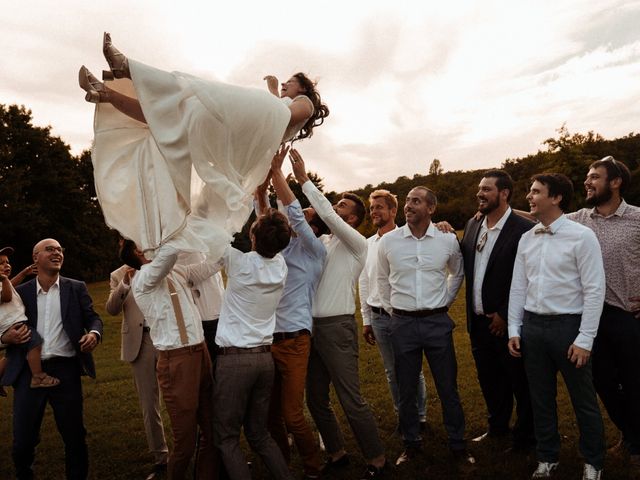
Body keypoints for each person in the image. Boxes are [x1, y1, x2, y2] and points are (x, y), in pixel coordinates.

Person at [79, 32, 329, 265]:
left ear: (304, 89)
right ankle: (105, 94)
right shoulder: (286, 101)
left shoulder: (304, 103)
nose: (285, 84)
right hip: (231, 138)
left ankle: (127, 68)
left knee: (191, 93)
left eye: (291, 82)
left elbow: (280, 115)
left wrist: (273, 90)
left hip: (238, 136)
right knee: (169, 118)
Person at [289, 149, 387, 480]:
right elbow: (309, 222)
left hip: (337, 327)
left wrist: (304, 180)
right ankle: (336, 451)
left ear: (354, 219)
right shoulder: (326, 242)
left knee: (350, 398)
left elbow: (327, 216)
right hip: (310, 328)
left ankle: (376, 458)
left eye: (342, 206)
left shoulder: (356, 243)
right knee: (315, 398)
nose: (335, 208)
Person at [508, 173, 606, 480]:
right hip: (533, 329)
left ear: (557, 198)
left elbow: (594, 289)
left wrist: (585, 337)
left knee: (583, 400)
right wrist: (514, 327)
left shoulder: (582, 236)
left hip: (569, 328)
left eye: (536, 191)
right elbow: (518, 287)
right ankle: (547, 457)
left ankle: (594, 461)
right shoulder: (526, 238)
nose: (529, 197)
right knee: (540, 399)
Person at [377, 187, 475, 472]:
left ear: (431, 208)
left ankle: (458, 443)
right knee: (406, 389)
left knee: (448, 387)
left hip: (437, 323)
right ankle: (411, 443)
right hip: (403, 323)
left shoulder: (446, 239)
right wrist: (393, 310)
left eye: (416, 201)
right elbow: (382, 279)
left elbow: (458, 271)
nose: (408, 205)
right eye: (407, 201)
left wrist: (446, 299)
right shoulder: (389, 242)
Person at [1, 238, 103, 480]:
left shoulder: (76, 287)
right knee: (23, 441)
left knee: (75, 436)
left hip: (65, 371)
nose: (57, 252)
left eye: (60, 249)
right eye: (50, 249)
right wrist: (6, 337)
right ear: (35, 258)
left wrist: (94, 334)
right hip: (27, 374)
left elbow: (93, 318)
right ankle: (24, 474)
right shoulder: (20, 292)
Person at [120, 238, 221, 480]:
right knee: (185, 440)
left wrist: (223, 233)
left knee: (211, 428)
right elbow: (167, 256)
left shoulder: (177, 270)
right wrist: (173, 231)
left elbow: (213, 265)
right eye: (144, 243)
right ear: (137, 253)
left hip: (200, 352)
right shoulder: (144, 278)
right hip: (176, 361)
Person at [254, 147, 327, 479]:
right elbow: (268, 216)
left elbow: (292, 212)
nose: (302, 215)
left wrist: (278, 172)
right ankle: (280, 463)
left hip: (296, 343)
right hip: (267, 342)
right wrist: (263, 181)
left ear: (316, 227)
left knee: (293, 414)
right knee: (271, 415)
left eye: (310, 215)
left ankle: (313, 465)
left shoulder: (314, 252)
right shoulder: (279, 246)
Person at [565, 157, 640, 477]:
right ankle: (631, 435)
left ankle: (637, 445)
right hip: (592, 317)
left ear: (616, 182)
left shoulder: (637, 219)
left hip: (629, 315)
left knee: (636, 384)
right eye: (586, 176)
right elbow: (543, 213)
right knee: (604, 382)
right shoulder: (581, 218)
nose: (587, 182)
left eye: (594, 177)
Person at [212, 208, 294, 480]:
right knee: (259, 434)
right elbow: (271, 236)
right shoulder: (280, 266)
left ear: (253, 236)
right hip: (264, 360)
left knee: (226, 437)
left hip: (234, 361)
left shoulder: (240, 263)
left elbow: (212, 235)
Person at [459, 171, 535, 452]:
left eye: (487, 189)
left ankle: (526, 438)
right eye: (479, 189)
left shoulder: (522, 229)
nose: (480, 194)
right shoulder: (472, 224)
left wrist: (505, 314)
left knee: (520, 381)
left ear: (504, 193)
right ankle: (498, 427)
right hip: (477, 322)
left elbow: (529, 278)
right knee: (490, 379)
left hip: (510, 323)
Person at [358, 190, 428, 430]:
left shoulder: (405, 238)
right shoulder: (367, 244)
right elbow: (364, 282)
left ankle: (419, 415)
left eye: (379, 207)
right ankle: (403, 415)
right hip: (378, 318)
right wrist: (367, 319)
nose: (374, 212)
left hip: (403, 315)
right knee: (391, 372)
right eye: (371, 208)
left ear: (392, 211)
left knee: (412, 370)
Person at [105, 256, 169, 479]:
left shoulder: (162, 263)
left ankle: (191, 448)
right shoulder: (118, 274)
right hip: (139, 342)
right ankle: (161, 457)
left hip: (167, 337)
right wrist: (125, 282)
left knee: (180, 397)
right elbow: (112, 309)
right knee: (148, 403)